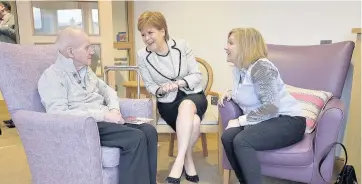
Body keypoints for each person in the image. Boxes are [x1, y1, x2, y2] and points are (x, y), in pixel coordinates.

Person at [37, 27, 158, 184]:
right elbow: (58, 114)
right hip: (84, 126)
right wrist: (104, 115)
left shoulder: (86, 71)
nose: (92, 52)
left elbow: (108, 92)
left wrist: (114, 109)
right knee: (135, 138)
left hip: (104, 121)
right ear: (71, 52)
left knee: (149, 131)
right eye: (87, 47)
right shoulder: (52, 76)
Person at [219, 28, 306, 184]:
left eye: (231, 43)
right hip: (265, 120)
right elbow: (251, 93)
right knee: (228, 137)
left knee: (241, 140)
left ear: (245, 46)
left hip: (289, 121)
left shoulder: (262, 68)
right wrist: (232, 93)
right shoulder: (239, 70)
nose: (226, 47)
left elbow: (271, 108)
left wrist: (238, 121)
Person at [136, 11, 207, 184]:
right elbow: (150, 86)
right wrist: (161, 90)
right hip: (168, 102)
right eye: (143, 34)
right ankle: (187, 159)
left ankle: (178, 161)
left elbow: (197, 75)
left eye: (150, 32)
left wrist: (178, 83)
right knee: (195, 122)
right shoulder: (142, 56)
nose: (146, 38)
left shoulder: (181, 45)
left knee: (187, 105)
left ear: (162, 30)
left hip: (193, 95)